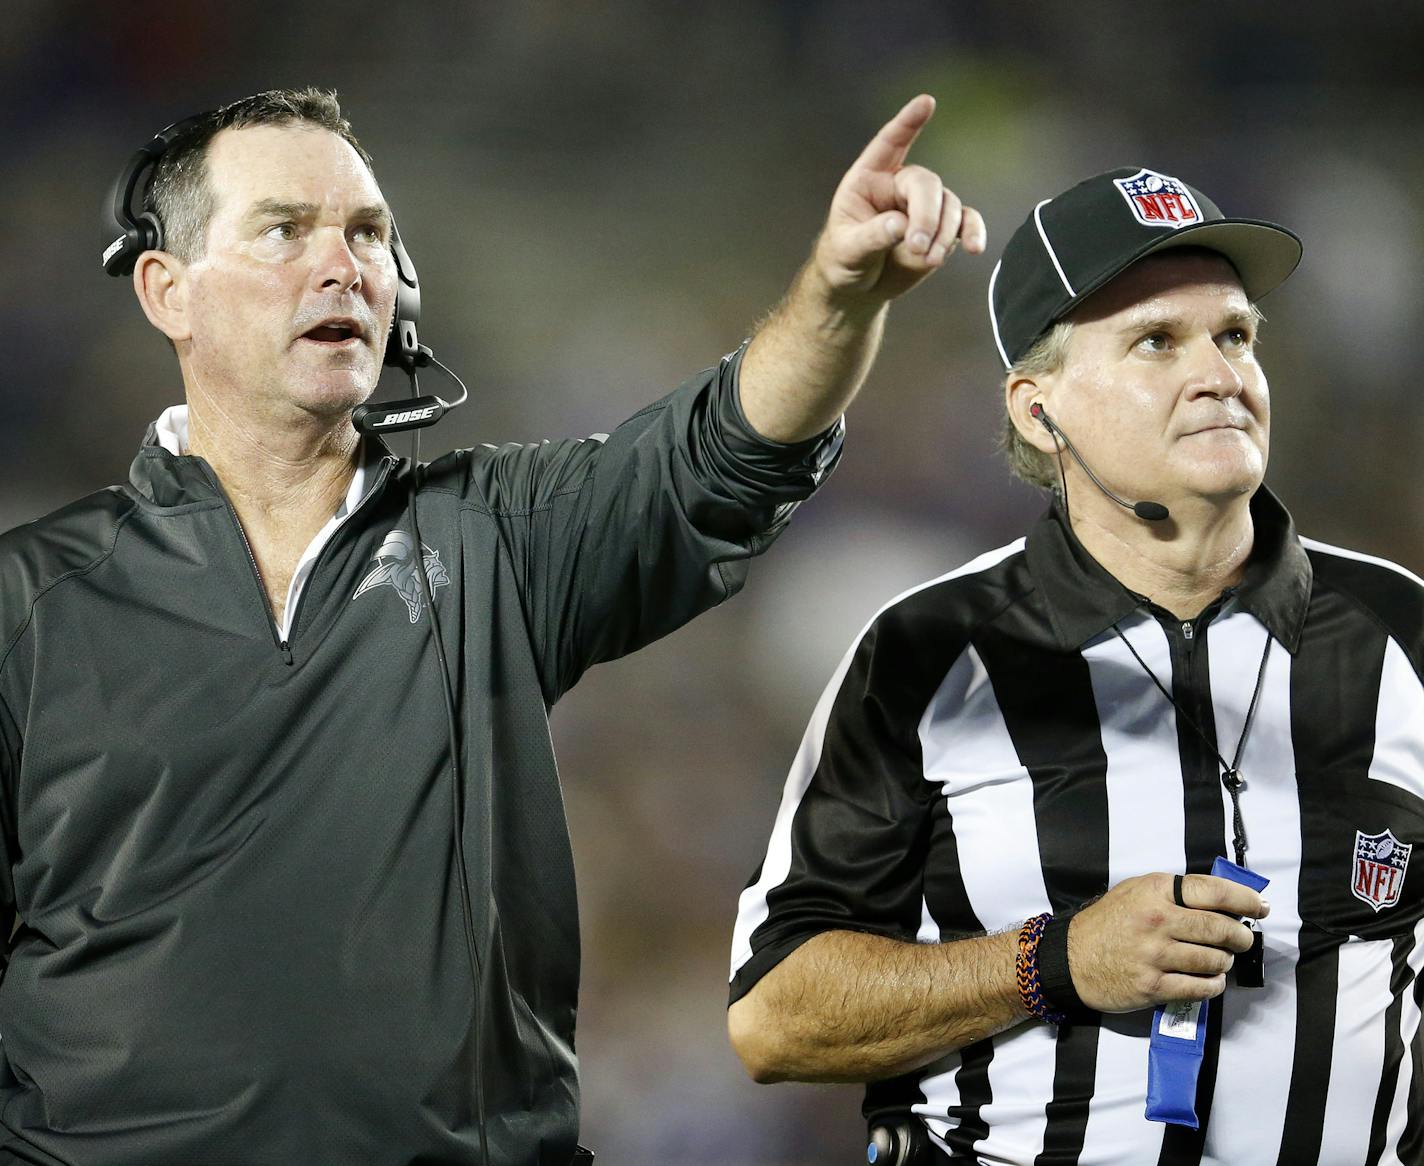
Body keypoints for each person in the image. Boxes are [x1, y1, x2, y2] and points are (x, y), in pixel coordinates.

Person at [0, 88, 984, 1166]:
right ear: (167, 290)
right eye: (285, 229)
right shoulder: (31, 602)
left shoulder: (494, 536)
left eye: (368, 232)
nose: (344, 264)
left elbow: (723, 456)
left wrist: (839, 297)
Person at [728, 167, 1424, 1164]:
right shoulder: (924, 652)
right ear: (1037, 408)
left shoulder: (1400, 633)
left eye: (1233, 334)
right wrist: (1050, 960)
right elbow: (773, 1012)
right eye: (1156, 341)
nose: (1219, 372)